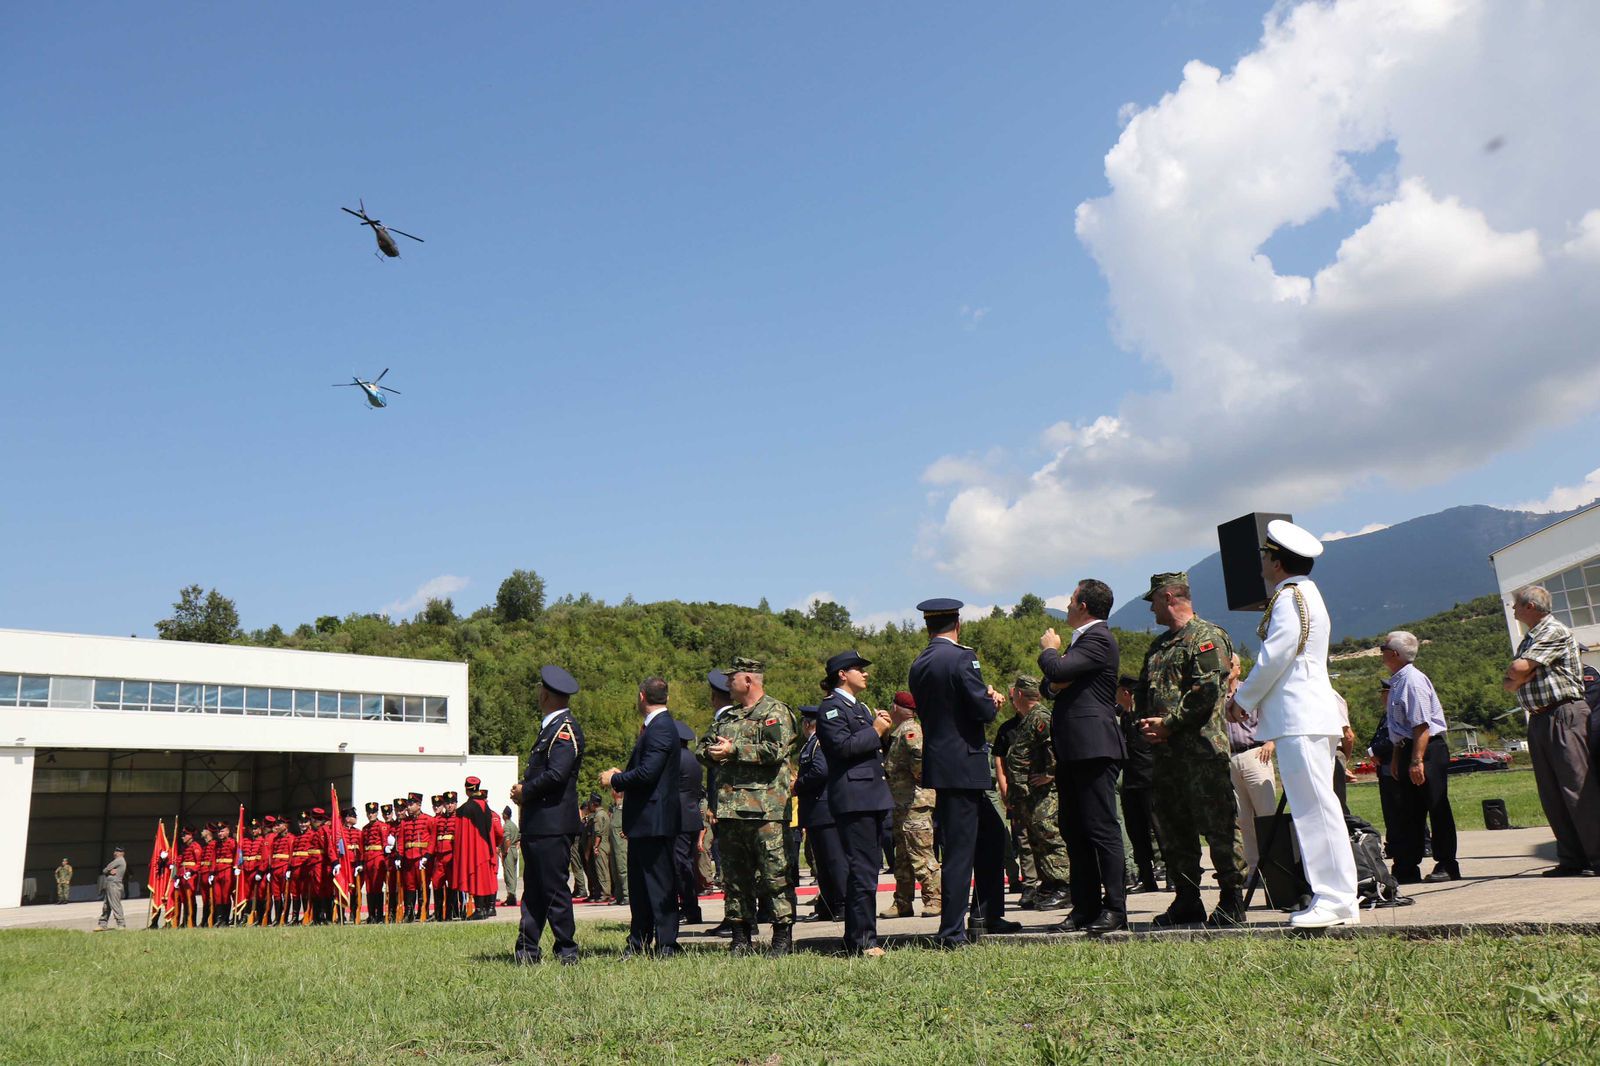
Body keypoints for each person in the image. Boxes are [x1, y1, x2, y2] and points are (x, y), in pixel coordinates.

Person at [1227, 519, 1358, 928]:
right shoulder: (1305, 594)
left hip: (1300, 715)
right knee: (1317, 807)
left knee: (1314, 809)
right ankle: (1336, 897)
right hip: (1306, 713)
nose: (1263, 562)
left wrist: (1243, 699)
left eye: (1266, 556)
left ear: (1277, 562)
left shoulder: (1289, 596)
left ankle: (1335, 899)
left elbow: (1277, 654)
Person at [1135, 572, 1247, 928]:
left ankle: (1232, 899)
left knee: (1218, 826)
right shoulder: (1159, 646)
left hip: (1200, 753)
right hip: (1166, 756)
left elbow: (1207, 692)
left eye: (1153, 600)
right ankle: (1186, 900)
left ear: (1169, 597)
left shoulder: (1206, 637)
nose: (1151, 608)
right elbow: (1144, 692)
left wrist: (1168, 724)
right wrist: (1146, 725)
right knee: (1173, 829)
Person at [908, 598, 1014, 948]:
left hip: (944, 762)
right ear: (958, 623)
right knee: (960, 850)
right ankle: (951, 931)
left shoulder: (920, 663)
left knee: (991, 836)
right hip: (964, 763)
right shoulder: (962, 657)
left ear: (928, 626)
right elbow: (979, 710)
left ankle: (987, 914)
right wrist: (992, 700)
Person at [1039, 579, 1128, 935]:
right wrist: (1056, 675)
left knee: (1101, 829)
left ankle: (1115, 908)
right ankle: (1085, 906)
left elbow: (1056, 672)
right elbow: (1051, 686)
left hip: (1095, 747)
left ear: (1085, 606)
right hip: (1074, 748)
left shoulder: (1098, 638)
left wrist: (1050, 651)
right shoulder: (1084, 643)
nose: (1067, 605)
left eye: (1072, 599)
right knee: (1074, 830)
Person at [699, 656, 800, 956]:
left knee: (774, 875)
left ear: (748, 681)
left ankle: (782, 938)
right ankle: (740, 938)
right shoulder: (727, 717)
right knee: (734, 877)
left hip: (766, 810)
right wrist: (713, 753)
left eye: (732, 678)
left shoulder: (775, 711)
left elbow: (774, 750)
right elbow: (702, 748)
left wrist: (733, 750)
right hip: (730, 810)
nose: (728, 683)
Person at [1502, 585, 1598, 876]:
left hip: (1563, 713)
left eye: (1517, 605)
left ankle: (1597, 856)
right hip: (1541, 717)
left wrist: (1519, 675)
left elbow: (1516, 672)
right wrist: (1517, 675)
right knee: (1552, 792)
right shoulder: (1531, 637)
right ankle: (1572, 858)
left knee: (1576, 787)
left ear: (1530, 606)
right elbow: (1512, 677)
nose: (1514, 610)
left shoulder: (1551, 631)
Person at [815, 650, 895, 957]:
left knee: (869, 869)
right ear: (841, 674)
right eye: (858, 669)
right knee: (862, 870)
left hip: (871, 796)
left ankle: (858, 937)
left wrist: (883, 732)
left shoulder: (858, 707)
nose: (866, 673)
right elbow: (842, 748)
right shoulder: (832, 709)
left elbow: (869, 749)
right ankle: (864, 940)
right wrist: (875, 730)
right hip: (854, 799)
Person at [601, 677, 683, 958]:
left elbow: (648, 773)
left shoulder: (660, 728)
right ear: (666, 698)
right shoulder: (656, 727)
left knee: (659, 885)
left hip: (654, 821)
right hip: (645, 821)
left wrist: (616, 779)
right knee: (640, 887)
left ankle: (666, 944)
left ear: (641, 697)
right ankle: (639, 940)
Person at [510, 664, 585, 964]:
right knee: (534, 891)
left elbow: (557, 774)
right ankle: (527, 948)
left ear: (545, 695)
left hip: (553, 823)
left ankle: (567, 949)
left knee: (553, 889)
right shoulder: (551, 729)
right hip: (540, 823)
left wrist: (524, 791)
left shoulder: (563, 730)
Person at [1380, 631, 1460, 883]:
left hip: (1425, 749)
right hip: (1406, 747)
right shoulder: (1397, 681)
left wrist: (1416, 760)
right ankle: (1407, 865)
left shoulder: (1412, 681)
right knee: (1408, 809)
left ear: (1394, 653)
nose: (1380, 652)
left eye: (1383, 647)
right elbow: (1400, 726)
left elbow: (1421, 725)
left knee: (1436, 806)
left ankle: (1447, 863)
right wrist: (1396, 756)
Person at [1002, 676, 1071, 909]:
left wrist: (1051, 774)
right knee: (1037, 840)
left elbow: (1056, 745)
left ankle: (1064, 885)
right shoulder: (1028, 719)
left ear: (1020, 694)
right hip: (1029, 794)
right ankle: (1050, 883)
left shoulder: (1040, 716)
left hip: (1044, 794)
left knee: (1050, 837)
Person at [881, 691, 941, 918]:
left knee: (921, 852)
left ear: (896, 708)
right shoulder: (898, 733)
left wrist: (920, 776)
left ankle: (934, 898)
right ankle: (902, 902)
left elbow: (920, 759)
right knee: (903, 857)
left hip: (915, 803)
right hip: (902, 803)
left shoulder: (910, 731)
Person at [1224, 659, 1277, 882]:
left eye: (1230, 663)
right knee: (1243, 819)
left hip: (1255, 753)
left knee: (1266, 815)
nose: (1225, 667)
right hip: (1230, 757)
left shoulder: (1250, 691)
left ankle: (1276, 867)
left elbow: (1273, 714)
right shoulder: (1216, 695)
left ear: (1238, 669)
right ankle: (1254, 871)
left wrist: (1271, 742)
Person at [796, 705, 845, 921]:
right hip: (815, 811)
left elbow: (820, 770)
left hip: (824, 809)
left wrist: (798, 785)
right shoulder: (811, 744)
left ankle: (842, 905)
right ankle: (827, 906)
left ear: (807, 724)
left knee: (834, 861)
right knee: (822, 864)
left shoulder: (819, 742)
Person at [1118, 675, 1162, 892]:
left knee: (1161, 829)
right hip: (1131, 781)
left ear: (1126, 693)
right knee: (1137, 832)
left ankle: (1174, 876)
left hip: (1150, 779)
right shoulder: (1125, 717)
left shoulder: (1145, 716)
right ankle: (1147, 878)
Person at [992, 690, 1033, 902]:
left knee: (1048, 839)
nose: (1013, 703)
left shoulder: (1042, 721)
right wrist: (1004, 789)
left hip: (1042, 793)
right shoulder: (1007, 729)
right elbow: (999, 760)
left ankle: (1054, 883)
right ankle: (1030, 885)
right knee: (1023, 839)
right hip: (1018, 793)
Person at [673, 718, 706, 923]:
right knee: (687, 864)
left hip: (680, 818)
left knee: (680, 866)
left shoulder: (676, 759)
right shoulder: (692, 758)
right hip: (691, 816)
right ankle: (690, 907)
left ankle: (689, 909)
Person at [94, 846, 127, 931]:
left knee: (115, 905)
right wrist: (109, 871)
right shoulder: (118, 860)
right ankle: (102, 924)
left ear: (122, 853)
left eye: (117, 851)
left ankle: (121, 924)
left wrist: (108, 871)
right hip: (110, 885)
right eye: (115, 851)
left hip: (114, 885)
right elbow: (107, 870)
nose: (115, 853)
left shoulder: (119, 860)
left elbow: (105, 870)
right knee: (106, 906)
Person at [592, 792, 615, 902]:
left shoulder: (598, 815)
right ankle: (608, 891)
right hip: (607, 843)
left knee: (602, 869)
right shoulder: (605, 814)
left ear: (593, 804)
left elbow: (598, 834)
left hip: (601, 844)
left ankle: (606, 893)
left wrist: (595, 846)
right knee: (606, 868)